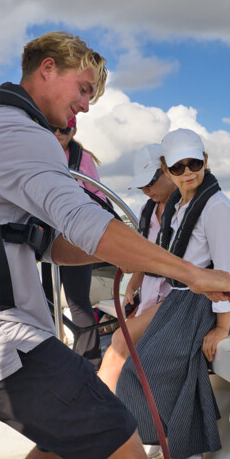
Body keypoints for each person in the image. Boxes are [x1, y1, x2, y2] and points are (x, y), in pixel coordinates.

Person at [0, 32, 230, 459]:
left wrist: (133, 258)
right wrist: (191, 272)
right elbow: (87, 223)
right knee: (117, 431)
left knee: (58, 439)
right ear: (47, 69)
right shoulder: (21, 134)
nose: (85, 107)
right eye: (84, 89)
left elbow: (48, 243)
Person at [115, 128, 230, 459]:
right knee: (136, 369)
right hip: (184, 300)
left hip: (212, 303)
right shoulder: (182, 206)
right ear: (167, 169)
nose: (188, 172)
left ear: (205, 160)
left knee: (154, 367)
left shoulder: (217, 209)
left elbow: (226, 276)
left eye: (194, 163)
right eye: (178, 166)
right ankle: (165, 442)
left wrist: (222, 329)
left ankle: (185, 453)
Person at [97, 143, 176, 391]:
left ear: (168, 170)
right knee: (125, 342)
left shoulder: (190, 210)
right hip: (152, 296)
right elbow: (145, 251)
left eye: (150, 182)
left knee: (121, 340)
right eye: (141, 185)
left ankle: (98, 416)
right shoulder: (146, 211)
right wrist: (133, 284)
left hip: (177, 299)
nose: (146, 189)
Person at [41, 116, 111, 365]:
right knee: (46, 296)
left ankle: (90, 361)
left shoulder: (84, 160)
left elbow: (99, 198)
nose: (59, 132)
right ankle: (52, 349)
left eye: (65, 128)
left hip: (76, 239)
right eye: (53, 127)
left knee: (77, 300)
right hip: (46, 238)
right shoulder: (37, 153)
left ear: (74, 129)